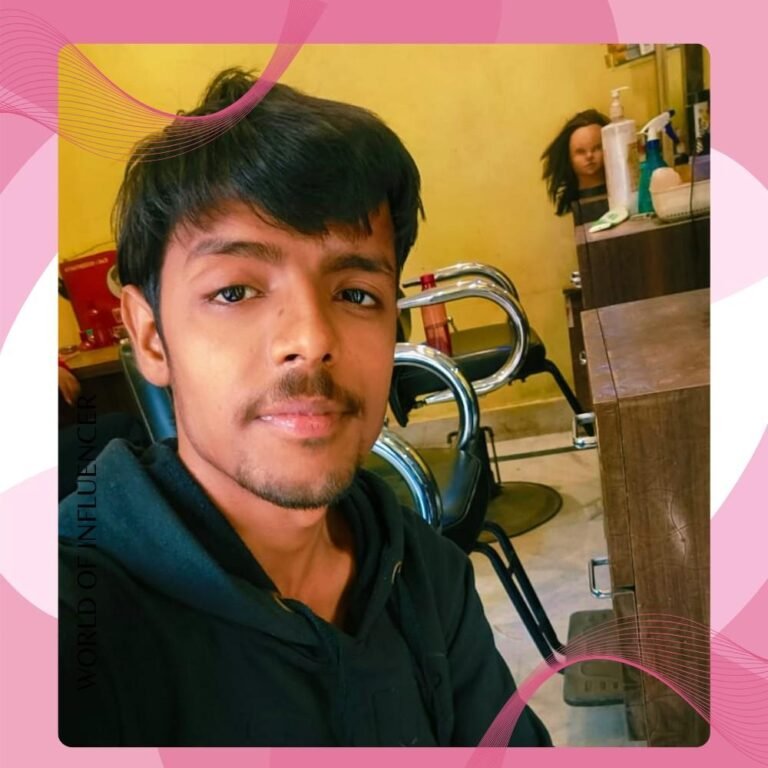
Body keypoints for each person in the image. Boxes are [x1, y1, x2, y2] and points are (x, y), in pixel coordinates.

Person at [59, 67, 551, 747]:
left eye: (355, 294)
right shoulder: (74, 621)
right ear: (149, 337)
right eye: (234, 292)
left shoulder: (425, 576)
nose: (312, 339)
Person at [540, 109, 609, 217]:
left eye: (596, 148)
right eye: (580, 152)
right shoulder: (578, 207)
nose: (589, 156)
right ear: (568, 158)